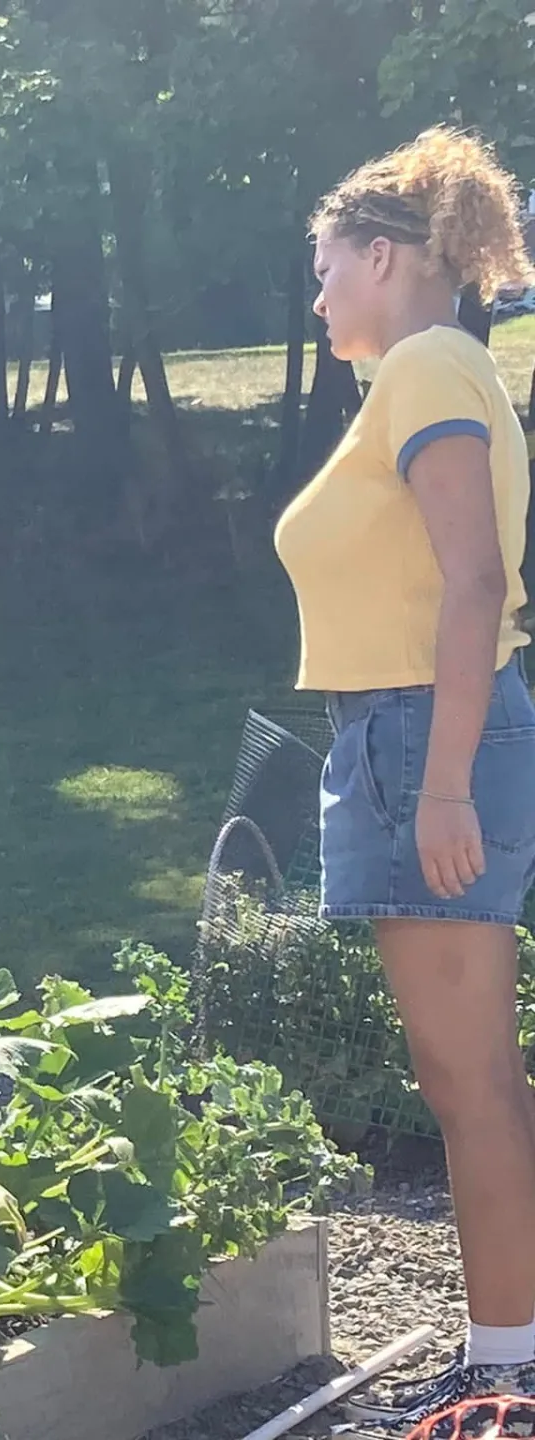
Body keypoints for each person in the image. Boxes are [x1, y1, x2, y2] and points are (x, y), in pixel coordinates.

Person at [275, 129, 535, 1426]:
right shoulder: (433, 370)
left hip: (426, 734)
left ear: (383, 256)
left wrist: (440, 787)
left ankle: (508, 1371)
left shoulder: (429, 363)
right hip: (411, 732)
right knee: (473, 1075)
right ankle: (509, 1353)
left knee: (468, 1080)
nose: (318, 295)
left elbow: (475, 581)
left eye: (326, 267)